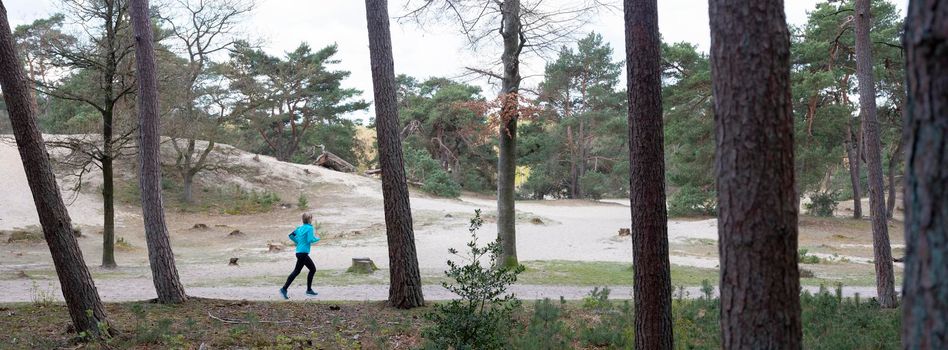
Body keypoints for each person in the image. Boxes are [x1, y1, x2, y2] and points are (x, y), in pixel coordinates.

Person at [279, 213, 320, 299]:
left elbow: (291, 235)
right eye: (311, 218)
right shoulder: (309, 228)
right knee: (309, 270)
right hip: (303, 253)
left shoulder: (300, 228)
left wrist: (298, 242)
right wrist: (317, 239)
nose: (312, 219)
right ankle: (285, 289)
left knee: (301, 270)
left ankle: (307, 289)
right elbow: (309, 240)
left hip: (299, 252)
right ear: (309, 219)